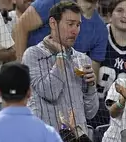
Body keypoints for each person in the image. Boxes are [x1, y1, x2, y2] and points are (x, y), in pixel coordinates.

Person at [22, 1, 99, 133]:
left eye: (78, 25)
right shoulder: (33, 55)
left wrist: (91, 86)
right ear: (53, 23)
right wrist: (61, 56)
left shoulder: (82, 59)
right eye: (70, 24)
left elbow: (91, 113)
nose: (75, 30)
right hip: (46, 139)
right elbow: (50, 93)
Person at [12, 0, 107, 77]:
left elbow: (90, 75)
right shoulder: (53, 2)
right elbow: (20, 28)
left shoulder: (101, 29)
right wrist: (20, 72)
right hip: (32, 76)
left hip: (63, 89)